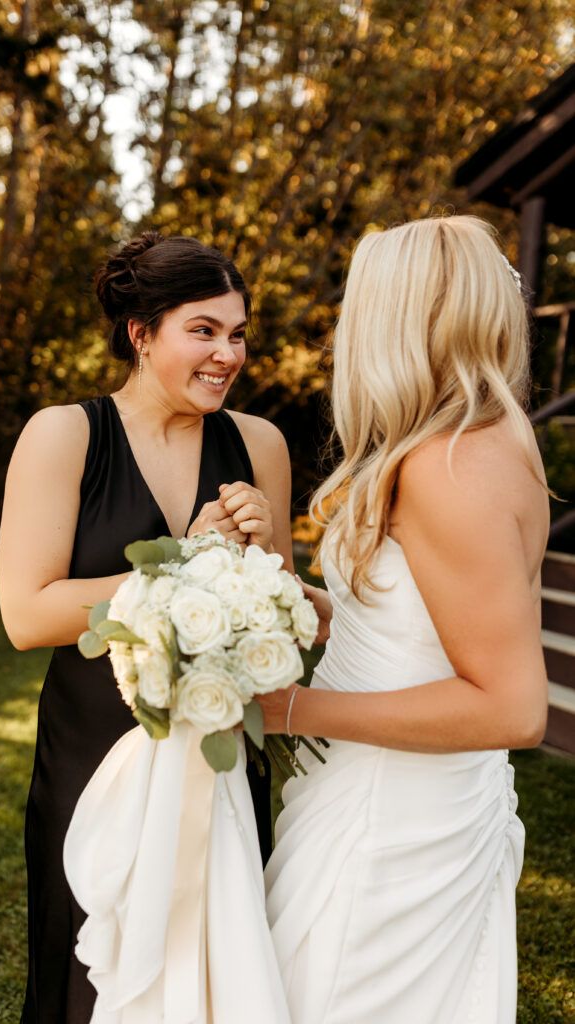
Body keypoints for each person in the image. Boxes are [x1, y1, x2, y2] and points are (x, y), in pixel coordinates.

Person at [258, 215, 549, 1024]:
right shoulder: (482, 440)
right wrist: (291, 607)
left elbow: (509, 706)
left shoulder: (446, 466)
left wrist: (287, 710)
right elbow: (427, 620)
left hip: (394, 824)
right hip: (393, 789)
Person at [0, 231, 293, 1024]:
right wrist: (185, 564)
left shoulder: (259, 444)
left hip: (222, 756)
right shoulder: (64, 436)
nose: (226, 354)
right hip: (95, 753)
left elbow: (283, 626)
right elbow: (26, 613)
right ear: (141, 332)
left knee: (219, 971)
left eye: (236, 334)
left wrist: (263, 562)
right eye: (202, 330)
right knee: (90, 974)